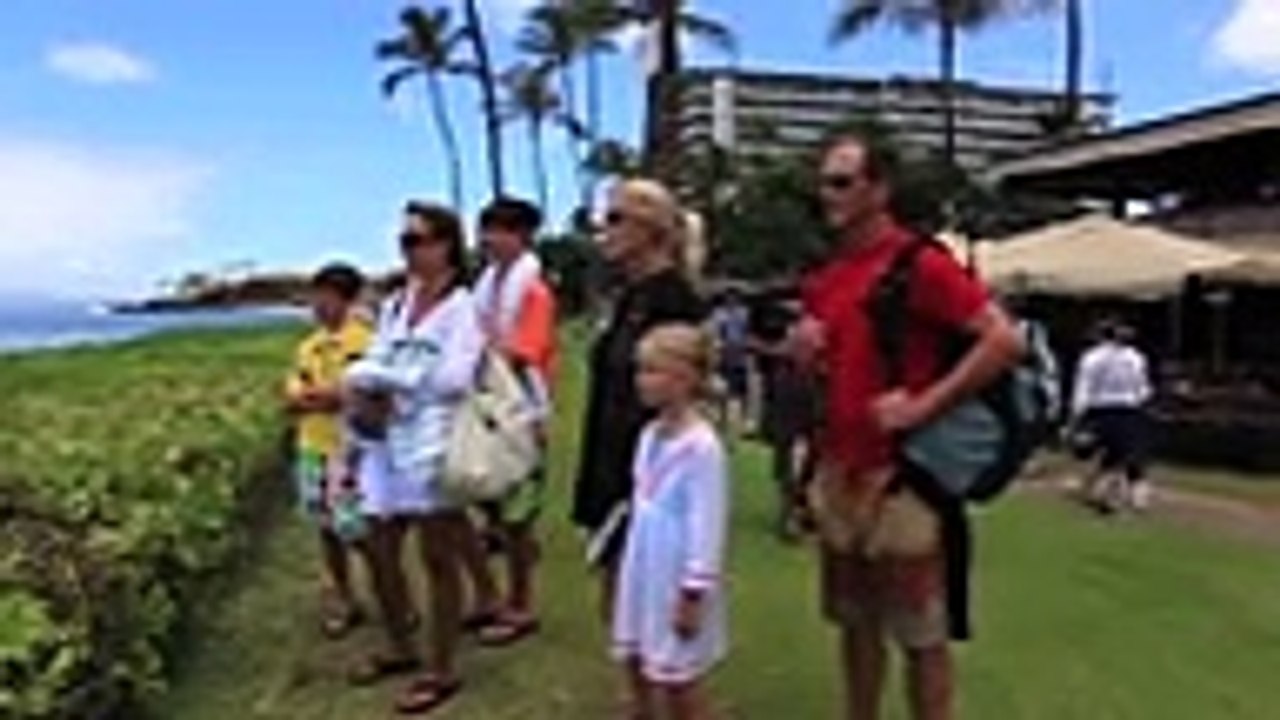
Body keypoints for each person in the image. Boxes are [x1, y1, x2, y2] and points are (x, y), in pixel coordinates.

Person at [791, 134, 1023, 720]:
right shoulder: (828, 276)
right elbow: (837, 365)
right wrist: (805, 351)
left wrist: (925, 406)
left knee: (921, 634)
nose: (828, 194)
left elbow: (1003, 338)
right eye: (824, 181)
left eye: (842, 182)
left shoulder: (919, 264)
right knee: (855, 622)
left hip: (904, 478)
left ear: (879, 189)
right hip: (843, 470)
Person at [342, 201, 485, 715]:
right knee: (378, 545)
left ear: (446, 244)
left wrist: (387, 382)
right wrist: (372, 385)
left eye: (417, 239)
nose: (407, 250)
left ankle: (440, 667)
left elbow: (455, 378)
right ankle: (402, 644)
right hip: (385, 442)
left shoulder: (461, 307)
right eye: (403, 240)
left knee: (438, 556)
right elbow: (374, 359)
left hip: (432, 443)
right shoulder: (398, 303)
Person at [572, 178, 706, 619]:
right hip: (613, 457)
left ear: (649, 229)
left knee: (644, 605)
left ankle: (647, 688)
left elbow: (676, 392)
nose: (603, 231)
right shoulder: (630, 297)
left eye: (614, 219)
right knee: (618, 602)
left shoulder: (672, 299)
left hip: (648, 470)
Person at [612, 324, 729, 720]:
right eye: (640, 370)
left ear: (685, 378)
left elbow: (706, 525)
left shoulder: (701, 448)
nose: (641, 381)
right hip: (644, 565)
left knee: (679, 676)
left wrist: (693, 590)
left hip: (674, 573)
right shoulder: (648, 435)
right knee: (637, 656)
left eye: (652, 371)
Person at [472, 196, 559, 645]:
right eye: (487, 229)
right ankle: (496, 597)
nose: (489, 239)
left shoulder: (534, 292)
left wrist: (472, 363)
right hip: (489, 408)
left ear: (522, 237)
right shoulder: (488, 285)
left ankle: (521, 605)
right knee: (491, 506)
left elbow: (524, 353)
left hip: (522, 410)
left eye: (499, 231)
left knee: (517, 516)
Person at [282, 263, 374, 639]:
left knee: (358, 530)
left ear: (346, 299)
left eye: (326, 297)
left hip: (349, 450)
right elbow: (294, 393)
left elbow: (361, 395)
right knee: (326, 530)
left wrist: (328, 396)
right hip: (311, 447)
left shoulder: (366, 342)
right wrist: (312, 397)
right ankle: (344, 598)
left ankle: (391, 594)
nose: (318, 305)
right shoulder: (308, 346)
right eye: (314, 297)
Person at [1070, 320, 1154, 512]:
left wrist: (1077, 416)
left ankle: (1105, 492)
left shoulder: (1091, 357)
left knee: (1100, 451)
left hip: (1100, 410)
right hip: (1129, 410)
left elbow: (1083, 389)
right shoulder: (1136, 357)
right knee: (1129, 452)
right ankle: (1137, 496)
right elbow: (1143, 389)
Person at [709, 287, 751, 432]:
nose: (732, 300)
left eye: (734, 298)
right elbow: (715, 333)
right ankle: (722, 418)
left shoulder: (744, 313)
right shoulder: (719, 315)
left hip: (740, 354)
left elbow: (747, 331)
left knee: (742, 390)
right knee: (723, 388)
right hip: (725, 353)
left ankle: (744, 419)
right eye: (729, 298)